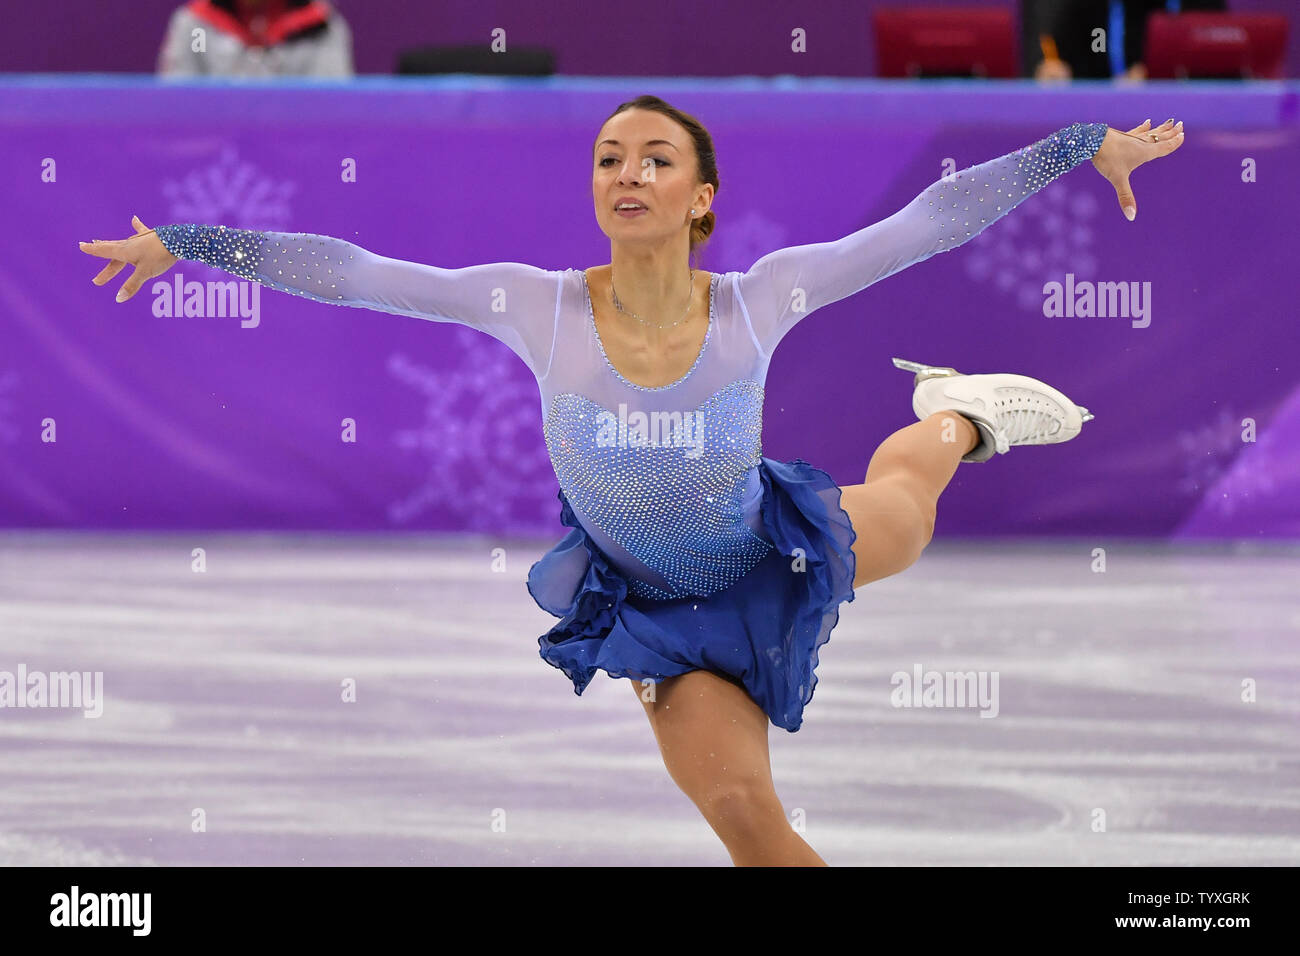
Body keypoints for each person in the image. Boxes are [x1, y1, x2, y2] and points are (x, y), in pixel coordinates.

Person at [79, 97, 1185, 866]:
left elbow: (929, 221)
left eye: (655, 158)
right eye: (610, 158)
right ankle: (948, 419)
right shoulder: (533, 304)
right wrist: (188, 241)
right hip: (654, 609)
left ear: (703, 196)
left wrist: (1084, 140)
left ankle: (956, 414)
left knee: (907, 506)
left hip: (771, 545)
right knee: (747, 811)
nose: (627, 174)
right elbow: (360, 274)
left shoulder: (763, 298)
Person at [157, 0, 354, 78]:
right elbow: (181, 107)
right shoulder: (196, 27)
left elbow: (330, 115)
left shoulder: (321, 27)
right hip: (213, 157)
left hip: (293, 157)